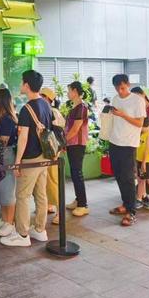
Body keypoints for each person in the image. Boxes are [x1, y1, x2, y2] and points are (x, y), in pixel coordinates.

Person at [0, 70, 52, 247]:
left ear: (27, 85)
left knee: (22, 196)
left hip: (30, 158)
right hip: (44, 157)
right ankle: (40, 230)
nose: (21, 85)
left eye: (22, 82)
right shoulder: (45, 104)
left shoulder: (26, 109)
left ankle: (22, 234)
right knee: (41, 194)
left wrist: (17, 162)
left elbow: (23, 138)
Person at [106, 74, 146, 227]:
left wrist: (123, 115)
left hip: (128, 143)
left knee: (128, 177)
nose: (120, 91)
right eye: (117, 88)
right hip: (114, 141)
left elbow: (140, 123)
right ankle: (125, 204)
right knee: (119, 175)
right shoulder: (115, 99)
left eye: (122, 88)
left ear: (128, 84)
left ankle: (131, 211)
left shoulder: (137, 100)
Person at [0, 87, 18, 237]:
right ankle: (4, 219)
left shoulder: (7, 119)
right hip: (0, 156)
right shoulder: (0, 118)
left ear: (0, 100)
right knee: (1, 189)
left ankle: (10, 223)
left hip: (6, 156)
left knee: (8, 190)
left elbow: (4, 141)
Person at [64, 81, 90, 217]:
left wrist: (63, 141)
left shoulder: (82, 107)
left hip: (77, 144)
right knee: (75, 173)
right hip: (72, 143)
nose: (67, 93)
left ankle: (83, 205)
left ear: (75, 91)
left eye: (69, 90)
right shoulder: (75, 107)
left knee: (77, 173)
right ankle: (78, 200)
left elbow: (75, 129)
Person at [40, 87, 63, 224]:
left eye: (42, 96)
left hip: (52, 151)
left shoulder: (53, 112)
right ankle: (51, 205)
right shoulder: (51, 111)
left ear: (48, 98)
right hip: (50, 151)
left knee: (53, 181)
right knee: (49, 180)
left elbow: (57, 134)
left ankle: (60, 212)